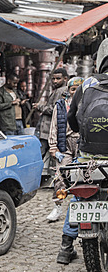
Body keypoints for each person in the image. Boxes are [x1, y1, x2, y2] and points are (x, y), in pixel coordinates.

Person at [56, 40, 108, 264]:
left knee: (80, 195)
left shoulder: (87, 84)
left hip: (88, 155)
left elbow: (70, 118)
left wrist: (81, 134)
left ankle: (65, 246)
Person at [46, 77, 83, 222]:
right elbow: (54, 127)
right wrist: (54, 149)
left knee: (83, 175)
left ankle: (82, 205)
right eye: (73, 89)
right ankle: (57, 206)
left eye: (78, 89)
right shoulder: (61, 105)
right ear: (68, 90)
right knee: (61, 175)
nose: (75, 92)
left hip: (81, 144)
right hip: (65, 144)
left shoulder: (87, 104)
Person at [35, 68, 68, 156]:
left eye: (58, 79)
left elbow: (54, 109)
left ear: (65, 79)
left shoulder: (61, 91)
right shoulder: (58, 91)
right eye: (53, 79)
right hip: (49, 130)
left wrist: (40, 107)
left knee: (40, 155)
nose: (55, 81)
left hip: (48, 130)